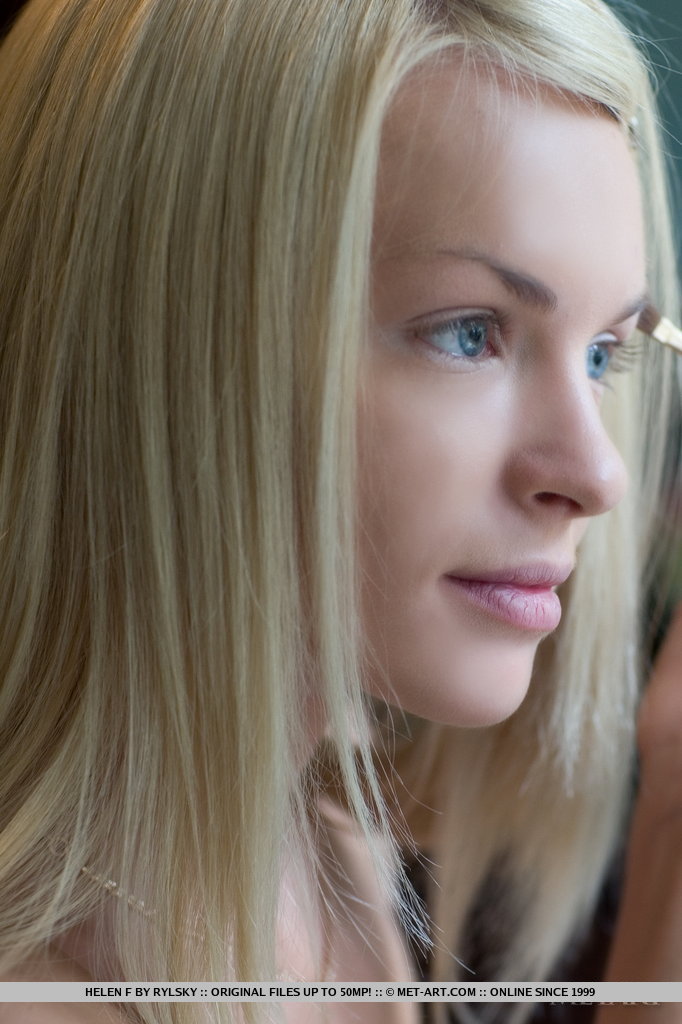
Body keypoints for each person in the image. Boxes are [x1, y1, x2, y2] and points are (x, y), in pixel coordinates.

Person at [0, 0, 680, 1022]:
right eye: (469, 333)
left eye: (601, 354)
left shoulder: (324, 864)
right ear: (177, 338)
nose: (596, 475)